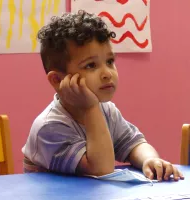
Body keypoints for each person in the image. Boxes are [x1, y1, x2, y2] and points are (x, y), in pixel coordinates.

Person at [22, 10, 184, 181]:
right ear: (57, 79)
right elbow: (100, 169)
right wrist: (91, 108)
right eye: (91, 65)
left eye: (110, 61)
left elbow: (133, 144)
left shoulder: (107, 111)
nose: (107, 73)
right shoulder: (49, 126)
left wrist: (149, 159)